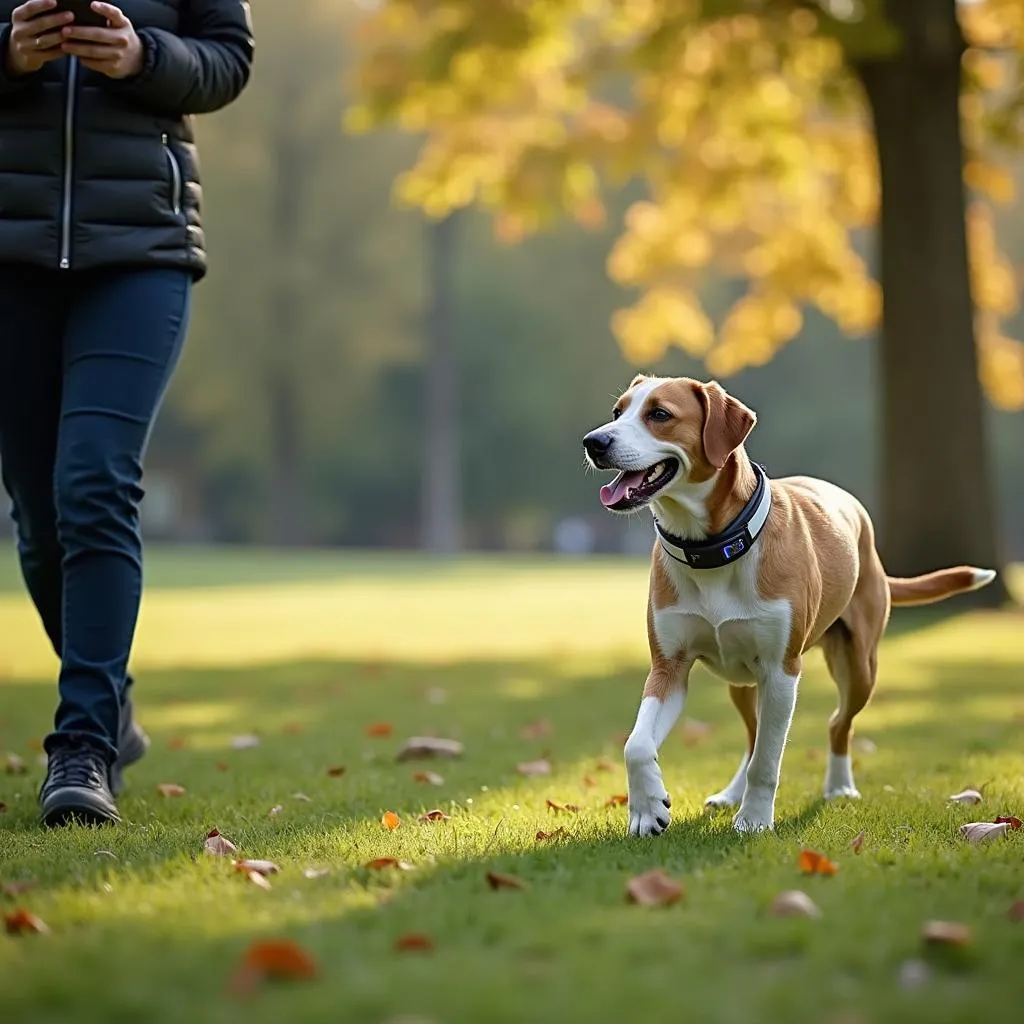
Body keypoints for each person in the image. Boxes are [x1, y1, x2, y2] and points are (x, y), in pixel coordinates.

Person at [0, 0, 253, 826]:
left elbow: (227, 59)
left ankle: (83, 748)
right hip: (8, 251)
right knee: (37, 509)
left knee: (93, 479)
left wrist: (143, 56)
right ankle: (111, 701)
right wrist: (8, 54)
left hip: (139, 252)